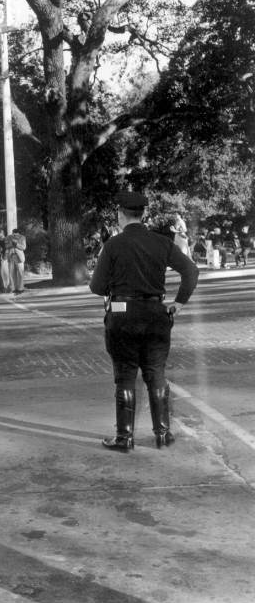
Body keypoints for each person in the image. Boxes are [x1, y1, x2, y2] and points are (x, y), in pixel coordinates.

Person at [89, 191, 199, 451]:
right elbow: (191, 271)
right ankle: (162, 433)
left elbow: (96, 286)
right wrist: (179, 302)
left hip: (121, 313)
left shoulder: (113, 245)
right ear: (144, 213)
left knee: (125, 376)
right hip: (155, 312)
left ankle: (124, 438)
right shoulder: (161, 242)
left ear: (120, 214)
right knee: (156, 374)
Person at [5, 228, 26, 294]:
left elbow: (23, 247)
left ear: (18, 233)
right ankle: (13, 288)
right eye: (13, 233)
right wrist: (11, 244)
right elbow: (6, 246)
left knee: (20, 273)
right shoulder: (8, 237)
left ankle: (21, 288)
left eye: (15, 234)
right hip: (11, 256)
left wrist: (16, 244)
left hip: (19, 257)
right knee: (11, 273)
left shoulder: (22, 237)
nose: (14, 235)